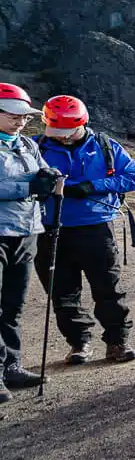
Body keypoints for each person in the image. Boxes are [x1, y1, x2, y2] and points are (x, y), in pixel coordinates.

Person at [35, 95, 135, 365]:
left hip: (96, 228)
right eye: (56, 131)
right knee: (61, 292)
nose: (61, 138)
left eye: (66, 132)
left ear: (81, 123)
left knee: (108, 288)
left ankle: (117, 342)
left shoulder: (106, 146)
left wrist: (92, 185)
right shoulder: (36, 147)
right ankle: (79, 344)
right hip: (48, 228)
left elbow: (134, 178)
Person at [0, 84, 56, 402]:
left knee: (14, 306)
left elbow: (33, 177)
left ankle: (12, 366)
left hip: (26, 232)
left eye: (24, 115)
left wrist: (46, 175)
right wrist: (29, 186)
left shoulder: (27, 145)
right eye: (13, 114)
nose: (21, 121)